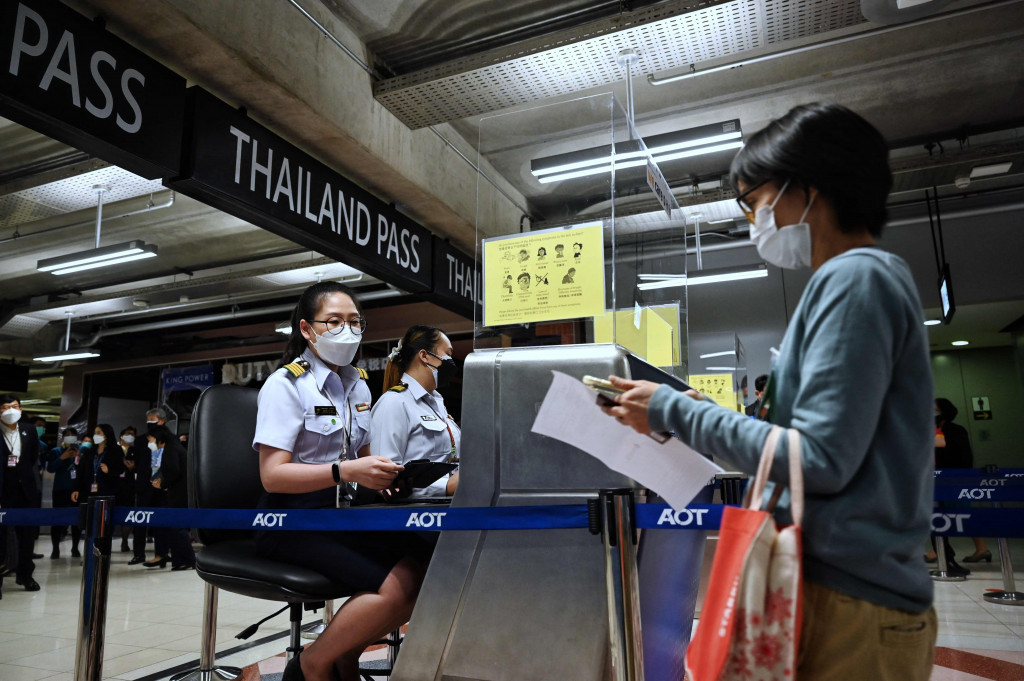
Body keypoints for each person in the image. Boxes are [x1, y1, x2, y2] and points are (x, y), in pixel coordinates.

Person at [602, 103, 936, 680]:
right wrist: (698, 413)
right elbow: (821, 442)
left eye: (754, 200)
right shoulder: (863, 278)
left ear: (808, 189)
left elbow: (821, 460)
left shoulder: (855, 279)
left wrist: (675, 411)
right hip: (845, 589)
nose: (754, 217)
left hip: (851, 605)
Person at [253, 281, 431, 681]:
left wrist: (387, 474)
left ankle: (344, 657)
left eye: (354, 322)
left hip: (343, 513)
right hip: (291, 519)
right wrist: (345, 471)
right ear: (307, 329)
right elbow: (273, 476)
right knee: (396, 583)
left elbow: (364, 454)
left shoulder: (357, 384)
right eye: (333, 322)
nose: (346, 330)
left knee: (428, 563)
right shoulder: (286, 385)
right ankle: (313, 664)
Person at [371, 326, 461, 500]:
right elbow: (384, 480)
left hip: (448, 509)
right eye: (447, 354)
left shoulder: (437, 404)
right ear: (424, 355)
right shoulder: (394, 403)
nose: (451, 361)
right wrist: (446, 486)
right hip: (412, 516)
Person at [930, 398, 990, 564]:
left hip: (953, 479)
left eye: (935, 409)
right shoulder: (934, 429)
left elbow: (963, 456)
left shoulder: (954, 430)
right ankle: (938, 550)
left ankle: (981, 548)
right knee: (939, 513)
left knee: (963, 513)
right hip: (940, 479)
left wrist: (963, 477)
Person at [0, 394, 42, 594]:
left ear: (21, 409)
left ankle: (25, 576)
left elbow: (32, 458)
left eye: (14, 406)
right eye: (5, 407)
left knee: (26, 537)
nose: (10, 410)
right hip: (3, 491)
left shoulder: (29, 430)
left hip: (25, 490)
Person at [144, 426, 195, 570]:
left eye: (150, 439)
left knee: (177, 527)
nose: (150, 442)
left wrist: (163, 484)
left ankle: (186, 559)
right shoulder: (175, 447)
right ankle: (181, 560)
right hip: (181, 492)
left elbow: (174, 470)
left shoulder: (170, 449)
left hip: (178, 493)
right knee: (176, 527)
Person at [44, 427, 83, 559]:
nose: (70, 437)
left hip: (76, 489)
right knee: (57, 520)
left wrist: (79, 457)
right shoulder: (56, 451)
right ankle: (55, 549)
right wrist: (62, 457)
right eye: (67, 435)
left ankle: (75, 548)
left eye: (73, 435)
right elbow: (50, 468)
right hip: (60, 489)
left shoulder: (81, 451)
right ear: (63, 437)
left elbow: (84, 469)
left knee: (76, 521)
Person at [73, 424, 124, 506]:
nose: (95, 435)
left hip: (108, 490)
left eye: (98, 433)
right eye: (95, 433)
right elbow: (81, 471)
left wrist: (109, 470)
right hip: (88, 490)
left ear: (106, 434)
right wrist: (76, 489)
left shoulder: (116, 450)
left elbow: (121, 468)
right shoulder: (89, 451)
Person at [116, 427, 138, 553]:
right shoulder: (115, 449)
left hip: (129, 486)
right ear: (122, 435)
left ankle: (124, 541)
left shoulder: (135, 451)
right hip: (115, 485)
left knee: (127, 514)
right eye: (128, 434)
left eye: (133, 434)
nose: (130, 436)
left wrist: (132, 468)